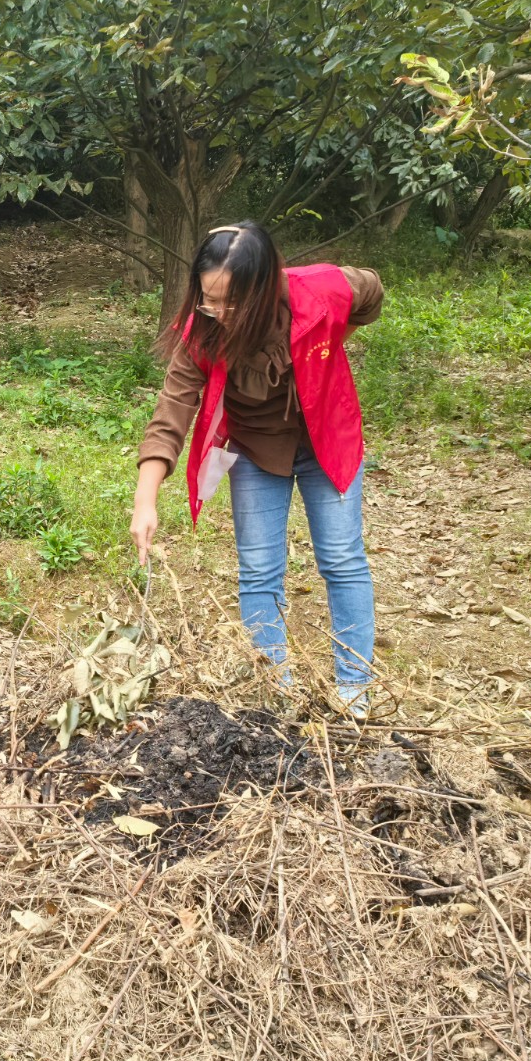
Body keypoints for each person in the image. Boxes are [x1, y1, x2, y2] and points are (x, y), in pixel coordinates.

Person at [130, 221, 383, 717]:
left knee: (341, 559)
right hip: (255, 451)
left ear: (266, 286)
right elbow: (171, 412)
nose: (219, 314)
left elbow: (370, 291)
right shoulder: (203, 331)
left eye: (233, 303)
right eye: (210, 300)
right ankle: (275, 692)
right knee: (259, 570)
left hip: (326, 440)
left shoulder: (321, 292)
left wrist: (333, 338)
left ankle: (354, 689)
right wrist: (145, 499)